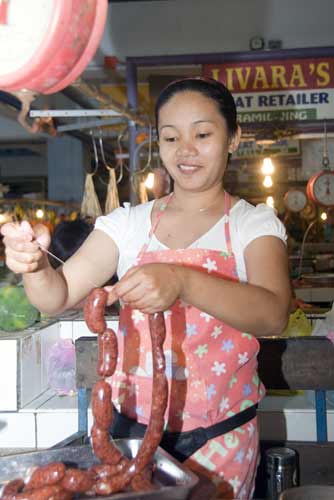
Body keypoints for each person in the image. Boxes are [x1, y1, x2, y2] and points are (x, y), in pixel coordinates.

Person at [1, 78, 291, 499]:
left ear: (233, 138)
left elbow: (273, 313)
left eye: (203, 134)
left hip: (221, 444)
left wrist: (182, 280)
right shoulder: (129, 225)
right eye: (171, 137)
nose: (185, 150)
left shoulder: (252, 225)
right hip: (130, 440)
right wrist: (34, 264)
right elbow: (57, 295)